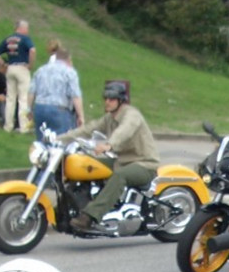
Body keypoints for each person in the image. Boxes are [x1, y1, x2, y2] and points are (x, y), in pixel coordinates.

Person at [62, 81, 159, 232]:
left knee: (120, 176)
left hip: (144, 164)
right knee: (87, 163)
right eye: (106, 98)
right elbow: (88, 129)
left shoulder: (131, 115)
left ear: (120, 100)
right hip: (122, 161)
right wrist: (59, 139)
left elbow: (125, 130)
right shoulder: (109, 118)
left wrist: (109, 144)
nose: (107, 102)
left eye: (112, 99)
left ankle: (90, 216)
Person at [27, 47, 83, 140]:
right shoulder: (70, 72)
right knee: (60, 142)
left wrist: (29, 109)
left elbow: (31, 91)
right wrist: (80, 115)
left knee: (41, 142)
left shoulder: (41, 70)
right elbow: (75, 95)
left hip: (39, 108)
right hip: (59, 110)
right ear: (68, 59)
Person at [0, 19, 35, 133]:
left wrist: (2, 63)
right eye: (27, 28)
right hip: (22, 68)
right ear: (22, 28)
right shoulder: (25, 39)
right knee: (23, 98)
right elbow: (33, 50)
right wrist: (30, 64)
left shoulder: (9, 39)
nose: (28, 31)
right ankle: (23, 126)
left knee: (10, 99)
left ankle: (8, 125)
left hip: (10, 68)